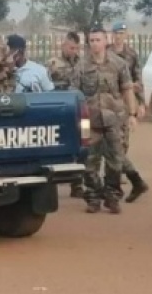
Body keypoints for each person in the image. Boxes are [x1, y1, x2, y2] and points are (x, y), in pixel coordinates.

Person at [72, 23, 138, 214]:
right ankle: (93, 197)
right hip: (88, 120)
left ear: (106, 40)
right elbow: (75, 94)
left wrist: (132, 114)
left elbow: (127, 90)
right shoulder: (81, 66)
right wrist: (77, 120)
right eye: (91, 40)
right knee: (88, 160)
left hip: (114, 119)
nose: (95, 44)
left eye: (98, 40)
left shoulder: (119, 64)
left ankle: (112, 196)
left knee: (115, 160)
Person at [104, 21, 149, 203]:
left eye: (122, 33)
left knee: (120, 143)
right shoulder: (105, 53)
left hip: (124, 104)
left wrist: (140, 103)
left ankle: (117, 180)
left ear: (126, 35)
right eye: (116, 33)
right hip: (107, 104)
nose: (118, 36)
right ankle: (118, 179)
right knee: (109, 144)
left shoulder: (131, 54)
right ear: (111, 35)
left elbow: (138, 78)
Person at [46, 31, 84, 198]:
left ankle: (77, 185)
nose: (73, 51)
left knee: (82, 146)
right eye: (71, 47)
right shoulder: (53, 63)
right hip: (61, 111)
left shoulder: (82, 63)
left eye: (76, 48)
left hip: (79, 109)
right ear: (63, 45)